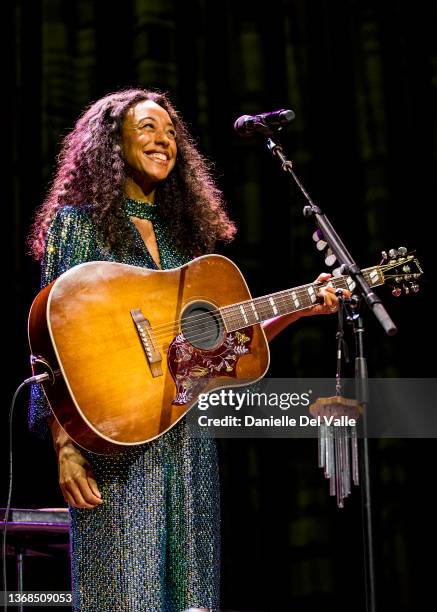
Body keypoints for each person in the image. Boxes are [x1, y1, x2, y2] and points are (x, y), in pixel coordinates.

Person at [27, 88, 342, 611]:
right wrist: (66, 446)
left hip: (188, 447)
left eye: (171, 132)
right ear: (112, 141)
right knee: (124, 600)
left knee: (192, 599)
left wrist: (303, 307)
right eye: (148, 128)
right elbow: (49, 347)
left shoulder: (186, 245)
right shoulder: (77, 225)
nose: (163, 141)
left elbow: (226, 348)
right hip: (116, 448)